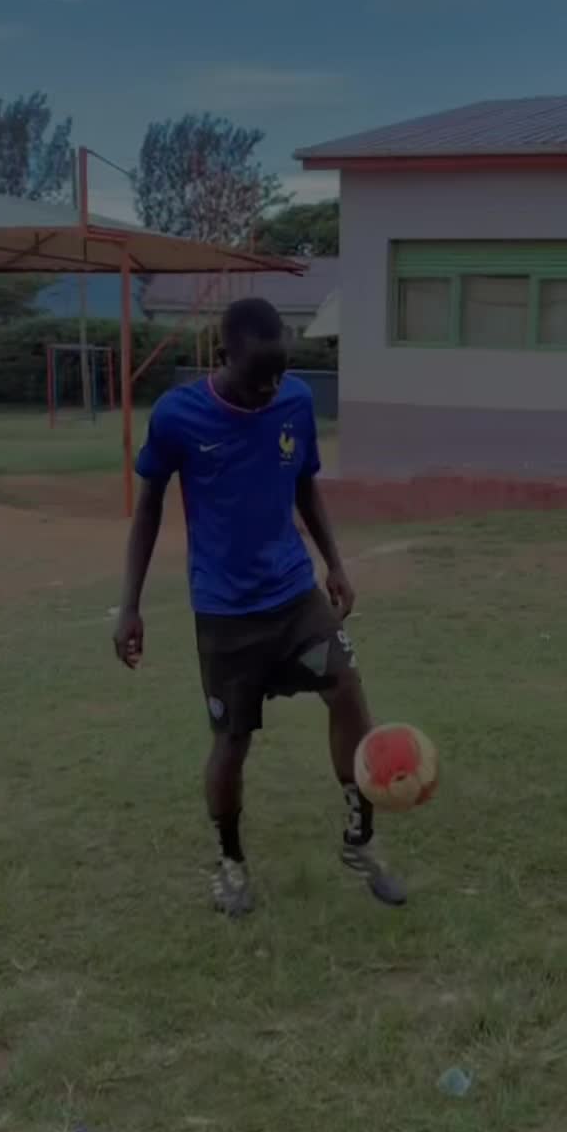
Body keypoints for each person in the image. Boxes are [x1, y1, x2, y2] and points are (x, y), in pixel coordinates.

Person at [113, 296, 406, 918]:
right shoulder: (178, 417)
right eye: (256, 379)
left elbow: (304, 486)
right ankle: (231, 862)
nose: (269, 389)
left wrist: (334, 563)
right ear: (223, 357)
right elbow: (149, 508)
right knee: (232, 740)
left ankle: (359, 838)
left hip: (295, 598)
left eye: (279, 375)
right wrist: (129, 605)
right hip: (226, 616)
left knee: (347, 688)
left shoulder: (294, 402)